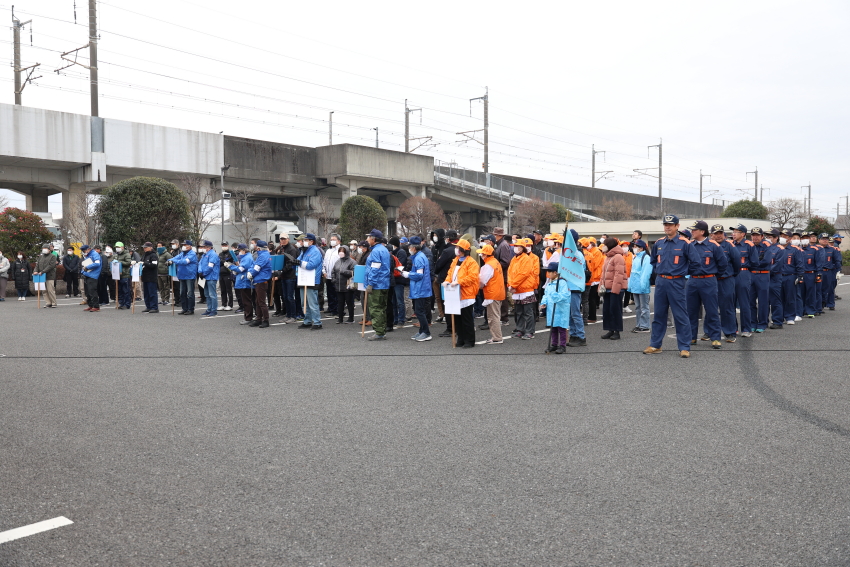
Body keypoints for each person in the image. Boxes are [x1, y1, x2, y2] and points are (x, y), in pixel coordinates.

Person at [644, 215, 693, 358]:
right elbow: (653, 261)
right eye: (665, 224)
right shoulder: (659, 243)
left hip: (677, 282)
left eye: (671, 224)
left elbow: (695, 263)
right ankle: (655, 344)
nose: (667, 227)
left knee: (680, 315)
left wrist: (682, 273)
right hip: (661, 282)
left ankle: (684, 347)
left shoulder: (685, 243)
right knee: (659, 314)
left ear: (677, 226)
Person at [684, 221, 728, 350]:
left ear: (702, 232)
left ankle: (715, 338)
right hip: (692, 281)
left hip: (708, 281)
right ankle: (692, 336)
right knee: (691, 311)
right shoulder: (689, 245)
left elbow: (723, 263)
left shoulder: (713, 245)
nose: (692, 232)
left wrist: (713, 275)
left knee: (712, 310)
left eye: (694, 230)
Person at [442, 238, 479, 348]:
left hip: (466, 294)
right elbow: (450, 273)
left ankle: (469, 340)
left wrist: (459, 282)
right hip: (454, 293)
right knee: (458, 318)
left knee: (466, 319)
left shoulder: (471, 262)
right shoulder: (455, 260)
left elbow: (472, 277)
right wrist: (447, 281)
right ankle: (461, 339)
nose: (456, 249)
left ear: (463, 249)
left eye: (458, 247)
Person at [710, 224, 739, 343]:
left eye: (720, 233)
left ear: (724, 234)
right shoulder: (708, 245)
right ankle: (709, 331)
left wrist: (731, 275)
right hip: (712, 280)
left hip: (726, 279)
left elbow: (737, 263)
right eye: (715, 233)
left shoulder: (729, 245)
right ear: (711, 235)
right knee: (710, 307)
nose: (718, 236)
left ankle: (730, 332)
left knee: (727, 307)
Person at [507, 237, 539, 340]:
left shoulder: (527, 259)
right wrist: (510, 285)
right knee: (519, 311)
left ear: (522, 248)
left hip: (526, 289)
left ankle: (530, 331)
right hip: (517, 289)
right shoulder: (514, 259)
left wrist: (513, 285)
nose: (515, 248)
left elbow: (523, 274)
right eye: (514, 246)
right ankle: (520, 329)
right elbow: (510, 273)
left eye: (517, 246)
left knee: (528, 312)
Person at [402, 236, 433, 341]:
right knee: (419, 310)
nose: (409, 248)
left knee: (419, 311)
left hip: (421, 289)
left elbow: (419, 275)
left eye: (410, 246)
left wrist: (408, 274)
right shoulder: (419, 256)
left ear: (414, 248)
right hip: (420, 288)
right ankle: (422, 331)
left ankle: (426, 332)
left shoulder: (419, 258)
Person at [364, 229, 391, 340]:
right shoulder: (383, 249)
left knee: (375, 308)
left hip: (377, 284)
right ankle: (382, 330)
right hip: (383, 283)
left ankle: (379, 332)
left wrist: (370, 283)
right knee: (382, 308)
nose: (367, 239)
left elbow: (375, 268)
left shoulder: (375, 251)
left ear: (373, 239)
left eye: (368, 237)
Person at [476, 243, 505, 345]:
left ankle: (497, 337)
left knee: (493, 317)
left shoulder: (488, 265)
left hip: (492, 294)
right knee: (494, 316)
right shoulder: (495, 262)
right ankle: (496, 337)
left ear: (486, 254)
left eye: (482, 254)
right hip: (497, 292)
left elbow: (482, 281)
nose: (481, 256)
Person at [599, 237, 626, 340]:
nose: (603, 246)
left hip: (615, 289)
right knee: (607, 310)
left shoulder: (618, 256)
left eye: (605, 244)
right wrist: (602, 286)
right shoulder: (608, 257)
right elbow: (604, 274)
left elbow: (619, 274)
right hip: (607, 289)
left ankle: (617, 331)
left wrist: (615, 289)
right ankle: (610, 330)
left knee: (615, 310)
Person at [297, 233, 324, 330]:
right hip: (303, 278)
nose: (304, 242)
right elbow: (298, 261)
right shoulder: (304, 250)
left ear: (311, 241)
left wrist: (299, 263)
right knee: (304, 303)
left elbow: (311, 265)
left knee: (312, 303)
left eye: (306, 240)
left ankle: (317, 322)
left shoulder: (315, 251)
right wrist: (296, 262)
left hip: (312, 279)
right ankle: (307, 320)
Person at [434, 229, 458, 331]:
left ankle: (450, 328)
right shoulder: (461, 249)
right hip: (457, 280)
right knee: (456, 305)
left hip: (446, 280)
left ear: (448, 239)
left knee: (447, 304)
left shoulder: (447, 251)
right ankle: (456, 327)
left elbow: (438, 265)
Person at [748, 228, 770, 333]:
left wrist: (754, 262)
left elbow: (766, 261)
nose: (755, 237)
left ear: (762, 236)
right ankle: (753, 323)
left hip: (763, 275)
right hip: (751, 275)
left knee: (763, 301)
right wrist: (756, 261)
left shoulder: (767, 246)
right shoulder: (749, 246)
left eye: (757, 235)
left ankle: (762, 323)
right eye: (753, 235)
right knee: (751, 301)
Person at [226, 244, 255, 325]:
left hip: (245, 281)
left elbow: (241, 269)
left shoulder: (247, 258)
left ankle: (248, 318)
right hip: (243, 280)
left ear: (244, 250)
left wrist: (231, 266)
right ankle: (248, 317)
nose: (239, 253)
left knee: (246, 301)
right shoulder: (246, 257)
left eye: (239, 251)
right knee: (246, 300)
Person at [627, 239, 652, 332]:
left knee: (644, 307)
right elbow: (632, 273)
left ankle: (645, 326)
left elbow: (646, 273)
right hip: (635, 286)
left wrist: (643, 285)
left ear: (641, 248)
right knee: (638, 307)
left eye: (635, 246)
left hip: (642, 287)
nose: (634, 248)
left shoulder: (646, 258)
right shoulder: (635, 257)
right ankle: (639, 325)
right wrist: (630, 285)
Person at [169, 240, 199, 315]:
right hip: (182, 275)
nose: (184, 246)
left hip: (190, 275)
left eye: (186, 245)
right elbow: (174, 258)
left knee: (190, 293)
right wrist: (169, 260)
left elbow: (185, 262)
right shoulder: (182, 253)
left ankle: (190, 309)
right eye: (183, 245)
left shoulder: (192, 254)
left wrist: (174, 261)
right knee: (182, 293)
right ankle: (184, 308)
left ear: (190, 246)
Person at [247, 239, 271, 327]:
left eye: (256, 246)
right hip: (258, 280)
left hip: (261, 280)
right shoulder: (261, 255)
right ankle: (259, 319)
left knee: (261, 302)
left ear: (259, 248)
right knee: (258, 301)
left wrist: (251, 273)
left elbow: (257, 267)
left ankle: (266, 320)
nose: (255, 247)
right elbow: (254, 265)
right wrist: (250, 271)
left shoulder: (263, 255)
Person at [332, 245, 357, 324]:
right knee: (340, 302)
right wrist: (333, 279)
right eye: (340, 251)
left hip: (348, 285)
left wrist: (344, 271)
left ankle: (351, 318)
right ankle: (340, 318)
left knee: (349, 302)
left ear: (346, 252)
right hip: (338, 285)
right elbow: (333, 271)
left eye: (343, 251)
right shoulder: (337, 261)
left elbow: (354, 273)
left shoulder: (352, 262)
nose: (341, 253)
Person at [197, 240, 220, 317]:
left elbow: (210, 267)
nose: (203, 248)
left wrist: (203, 273)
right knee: (207, 294)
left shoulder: (213, 254)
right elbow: (200, 263)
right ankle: (209, 309)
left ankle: (214, 310)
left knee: (212, 294)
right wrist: (200, 271)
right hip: (205, 277)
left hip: (211, 277)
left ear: (208, 247)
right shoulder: (204, 254)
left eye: (204, 247)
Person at [583, 238, 603, 324]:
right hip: (593, 277)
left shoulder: (596, 252)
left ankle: (592, 316)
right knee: (590, 298)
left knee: (592, 298)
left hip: (595, 278)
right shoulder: (591, 252)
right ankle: (591, 316)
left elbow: (594, 265)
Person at [389, 236, 409, 326]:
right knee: (394, 301)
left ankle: (401, 319)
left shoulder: (401, 252)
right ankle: (395, 319)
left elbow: (400, 266)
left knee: (400, 301)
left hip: (399, 279)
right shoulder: (393, 253)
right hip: (393, 279)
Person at [322, 233, 341, 315]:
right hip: (328, 275)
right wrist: (324, 271)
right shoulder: (328, 251)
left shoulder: (340, 250)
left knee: (335, 293)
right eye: (331, 240)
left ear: (339, 241)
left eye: (334, 240)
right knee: (330, 293)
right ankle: (330, 307)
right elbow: (324, 262)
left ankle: (335, 310)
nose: (332, 241)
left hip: (336, 276)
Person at [140, 242, 160, 313]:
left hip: (151, 277)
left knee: (152, 293)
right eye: (144, 247)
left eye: (146, 247)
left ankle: (154, 307)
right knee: (146, 293)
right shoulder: (144, 255)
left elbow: (154, 265)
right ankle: (148, 306)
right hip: (145, 276)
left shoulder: (153, 255)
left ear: (150, 247)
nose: (144, 248)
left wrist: (145, 263)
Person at [111, 242, 132, 310]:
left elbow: (128, 262)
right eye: (116, 247)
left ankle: (127, 304)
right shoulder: (116, 255)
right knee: (119, 290)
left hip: (125, 274)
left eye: (118, 247)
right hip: (117, 274)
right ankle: (121, 303)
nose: (117, 248)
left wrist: (120, 262)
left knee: (126, 290)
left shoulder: (126, 254)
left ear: (122, 247)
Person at [80, 245, 101, 311]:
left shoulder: (94, 254)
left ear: (88, 249)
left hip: (93, 275)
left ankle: (96, 306)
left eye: (84, 250)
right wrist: (82, 272)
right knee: (88, 291)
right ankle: (91, 305)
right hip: (87, 274)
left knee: (92, 291)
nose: (84, 252)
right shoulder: (88, 255)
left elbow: (97, 263)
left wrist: (87, 267)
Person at [216, 242, 234, 312]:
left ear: (228, 246)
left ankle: (230, 305)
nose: (224, 246)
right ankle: (223, 304)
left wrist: (223, 261)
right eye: (223, 245)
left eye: (225, 245)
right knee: (223, 290)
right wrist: (223, 261)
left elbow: (229, 261)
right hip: (221, 273)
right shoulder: (220, 254)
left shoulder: (230, 253)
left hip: (228, 273)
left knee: (229, 290)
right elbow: (220, 262)